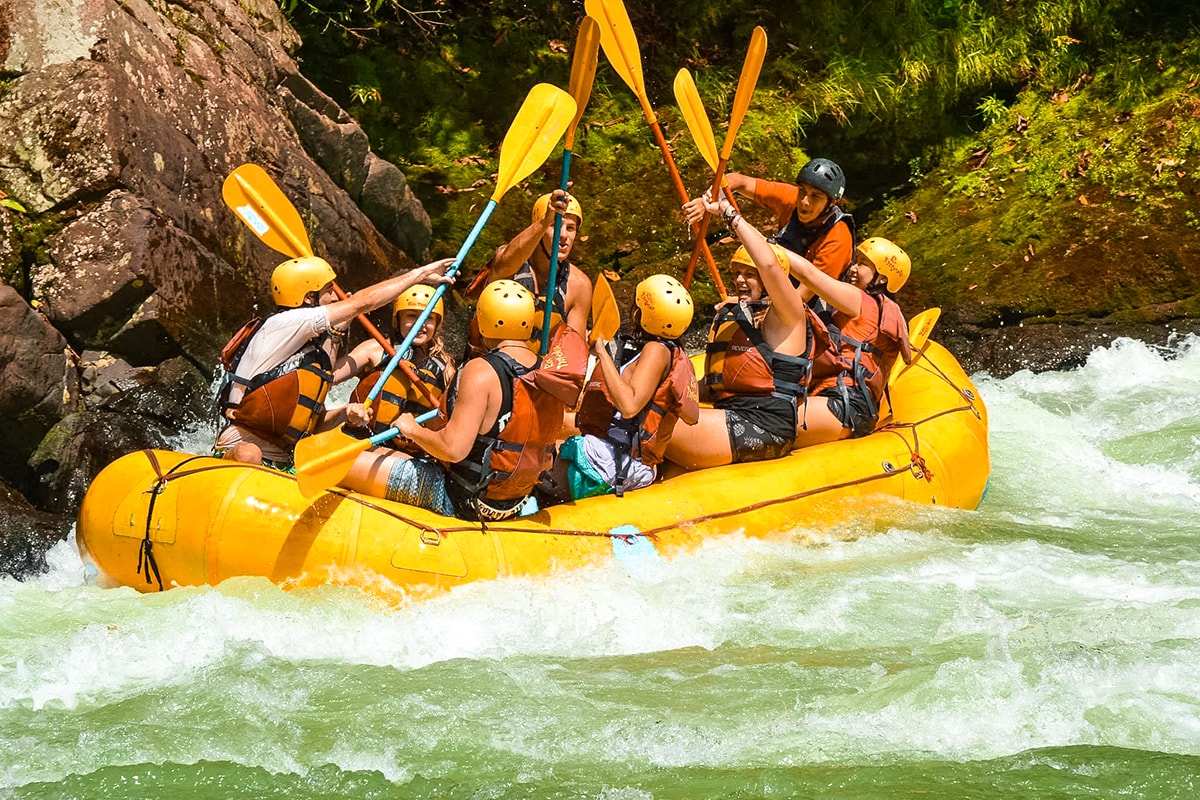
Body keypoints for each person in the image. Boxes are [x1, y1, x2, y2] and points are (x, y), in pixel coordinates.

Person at [340, 280, 586, 522]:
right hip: (513, 501)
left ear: (483, 321)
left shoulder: (480, 370)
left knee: (342, 460)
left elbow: (452, 449)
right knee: (380, 452)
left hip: (461, 499)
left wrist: (412, 429)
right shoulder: (547, 371)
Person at [215, 255, 454, 469]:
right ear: (309, 297)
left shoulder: (305, 346)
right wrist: (419, 275)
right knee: (249, 454)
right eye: (329, 289)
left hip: (286, 459)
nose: (336, 295)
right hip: (242, 449)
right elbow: (361, 303)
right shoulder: (285, 323)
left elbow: (315, 414)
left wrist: (347, 413)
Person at [665, 195, 829, 470]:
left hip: (764, 428)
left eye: (749, 274)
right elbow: (720, 385)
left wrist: (728, 213)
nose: (740, 280)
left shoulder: (788, 316)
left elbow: (768, 264)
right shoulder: (741, 317)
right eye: (737, 273)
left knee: (650, 421)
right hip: (732, 416)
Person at [553, 274, 700, 500]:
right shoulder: (669, 352)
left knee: (538, 463)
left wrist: (601, 352)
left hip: (611, 465)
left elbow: (629, 405)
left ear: (641, 314)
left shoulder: (656, 350)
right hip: (628, 463)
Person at [784, 237, 913, 447]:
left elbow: (809, 275)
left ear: (881, 279)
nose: (853, 268)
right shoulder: (881, 309)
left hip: (843, 404)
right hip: (851, 405)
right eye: (857, 260)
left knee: (768, 423)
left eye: (863, 263)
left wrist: (767, 246)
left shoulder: (859, 301)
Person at [464, 189, 592, 364]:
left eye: (571, 228)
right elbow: (502, 265)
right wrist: (546, 219)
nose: (563, 236)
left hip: (537, 378)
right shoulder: (511, 263)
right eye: (555, 225)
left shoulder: (579, 284)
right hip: (493, 366)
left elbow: (572, 353)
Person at [336, 284, 455, 452]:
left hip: (409, 456)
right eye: (412, 316)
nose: (420, 324)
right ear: (397, 319)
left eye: (428, 317)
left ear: (437, 324)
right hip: (362, 444)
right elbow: (329, 377)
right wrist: (337, 329)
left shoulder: (446, 370)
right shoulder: (375, 350)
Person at [721, 158, 855, 282]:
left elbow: (804, 297)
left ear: (832, 202)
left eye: (816, 196)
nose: (804, 202)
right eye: (802, 191)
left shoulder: (838, 240)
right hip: (783, 282)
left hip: (814, 300)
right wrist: (707, 200)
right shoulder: (792, 198)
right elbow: (738, 181)